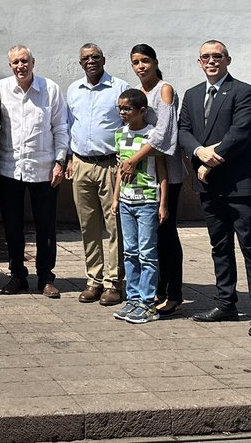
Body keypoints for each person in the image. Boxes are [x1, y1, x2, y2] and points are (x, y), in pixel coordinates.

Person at [179, 40, 251, 337]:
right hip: (208, 186)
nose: (211, 61)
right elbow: (183, 130)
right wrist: (198, 153)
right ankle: (226, 303)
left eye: (217, 56)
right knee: (219, 247)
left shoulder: (245, 92)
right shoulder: (193, 95)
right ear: (199, 62)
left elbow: (240, 133)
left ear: (228, 60)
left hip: (240, 185)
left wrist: (211, 160)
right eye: (206, 57)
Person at [0, 45, 69, 298]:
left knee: (45, 227)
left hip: (44, 169)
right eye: (15, 62)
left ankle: (46, 278)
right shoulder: (1, 89)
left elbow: (61, 128)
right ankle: (18, 276)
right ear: (10, 66)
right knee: (12, 226)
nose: (20, 66)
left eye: (24, 61)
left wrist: (60, 162)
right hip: (9, 169)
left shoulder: (51, 89)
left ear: (33, 62)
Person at [64, 43, 131, 307]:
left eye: (95, 57)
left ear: (103, 60)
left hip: (110, 165)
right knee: (88, 225)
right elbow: (71, 126)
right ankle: (94, 280)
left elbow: (131, 122)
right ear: (80, 63)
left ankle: (114, 283)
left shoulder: (119, 88)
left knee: (114, 226)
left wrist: (126, 156)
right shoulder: (73, 90)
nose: (90, 61)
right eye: (85, 58)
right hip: (81, 164)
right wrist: (69, 158)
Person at [127, 43, 184, 316]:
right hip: (143, 177)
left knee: (166, 233)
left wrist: (133, 158)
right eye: (136, 62)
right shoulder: (138, 94)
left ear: (155, 61)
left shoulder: (165, 90)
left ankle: (174, 294)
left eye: (145, 61)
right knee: (149, 238)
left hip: (167, 175)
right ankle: (156, 290)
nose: (141, 66)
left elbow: (163, 135)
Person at [109, 89, 168, 325]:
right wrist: (115, 198)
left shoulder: (152, 136)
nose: (123, 112)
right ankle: (132, 298)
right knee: (130, 252)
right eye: (120, 108)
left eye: (127, 108)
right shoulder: (120, 134)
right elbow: (119, 170)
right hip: (126, 202)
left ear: (142, 111)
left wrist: (163, 203)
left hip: (147, 201)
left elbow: (162, 170)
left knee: (147, 253)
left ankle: (147, 302)